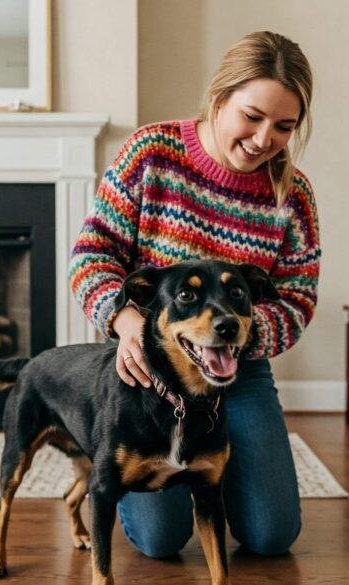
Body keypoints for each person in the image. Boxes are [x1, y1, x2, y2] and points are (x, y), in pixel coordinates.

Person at [69, 31, 320, 558]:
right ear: (218, 98)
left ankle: (219, 468)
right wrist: (126, 323)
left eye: (284, 126)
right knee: (161, 541)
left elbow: (297, 300)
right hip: (149, 369)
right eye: (252, 116)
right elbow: (92, 255)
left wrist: (231, 342)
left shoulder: (293, 196)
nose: (263, 138)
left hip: (238, 371)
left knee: (272, 534)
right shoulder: (152, 153)